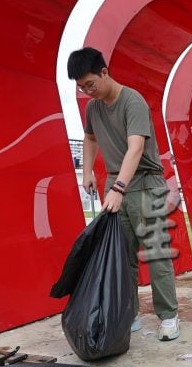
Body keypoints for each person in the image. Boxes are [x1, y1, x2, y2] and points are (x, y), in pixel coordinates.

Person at [67, 47, 180, 341]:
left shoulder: (133, 102)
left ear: (104, 72)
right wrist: (87, 171)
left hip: (146, 185)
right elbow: (90, 138)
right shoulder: (93, 108)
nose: (87, 91)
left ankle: (168, 317)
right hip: (116, 186)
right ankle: (129, 315)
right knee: (121, 257)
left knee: (156, 255)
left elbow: (136, 148)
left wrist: (118, 188)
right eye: (81, 87)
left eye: (90, 84)